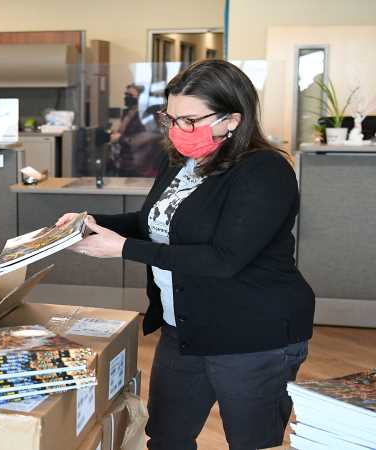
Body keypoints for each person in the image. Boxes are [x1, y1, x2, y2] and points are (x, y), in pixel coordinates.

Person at [57, 59, 315, 450]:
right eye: (171, 118)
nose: (178, 130)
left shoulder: (265, 171)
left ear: (232, 119)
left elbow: (223, 258)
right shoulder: (182, 161)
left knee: (251, 442)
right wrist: (93, 220)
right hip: (185, 328)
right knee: (165, 437)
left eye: (190, 120)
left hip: (254, 333)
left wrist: (123, 249)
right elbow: (158, 222)